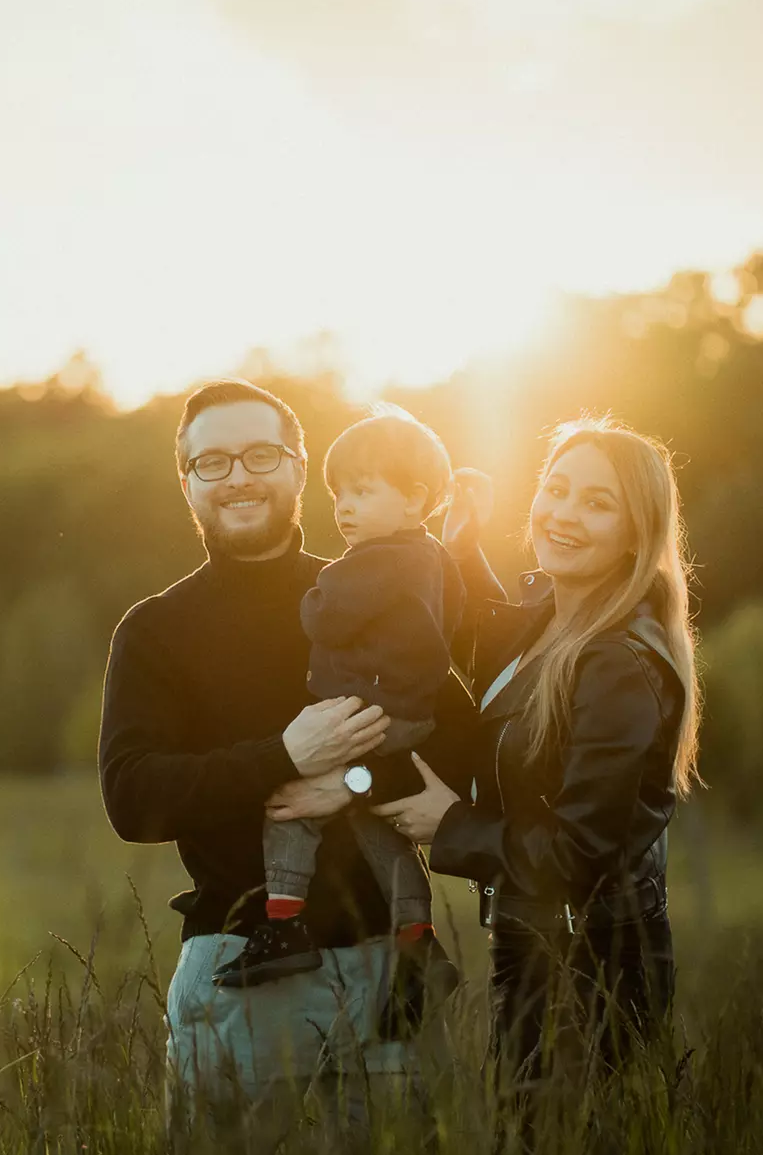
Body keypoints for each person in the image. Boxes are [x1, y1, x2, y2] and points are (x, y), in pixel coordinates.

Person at [98, 378, 476, 1109]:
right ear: (186, 483)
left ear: (301, 467)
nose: (238, 475)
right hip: (243, 977)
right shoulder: (155, 630)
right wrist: (283, 757)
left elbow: (459, 750)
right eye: (213, 462)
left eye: (261, 454)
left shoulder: (376, 589)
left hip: (384, 977)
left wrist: (353, 786)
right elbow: (132, 799)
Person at [368, 416, 699, 1105]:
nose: (564, 514)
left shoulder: (618, 662)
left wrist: (451, 824)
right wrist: (458, 554)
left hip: (595, 963)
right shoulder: (554, 614)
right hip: (537, 940)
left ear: (636, 533)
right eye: (557, 489)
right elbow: (503, 668)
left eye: (597, 503)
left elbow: (581, 854)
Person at [212, 405, 464, 1025]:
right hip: (404, 716)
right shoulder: (433, 558)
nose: (344, 507)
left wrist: (317, 594)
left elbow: (322, 615)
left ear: (414, 500)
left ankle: (283, 924)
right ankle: (417, 942)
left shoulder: (372, 562)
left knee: (292, 807)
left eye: (362, 491)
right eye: (338, 493)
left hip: (369, 713)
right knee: (384, 827)